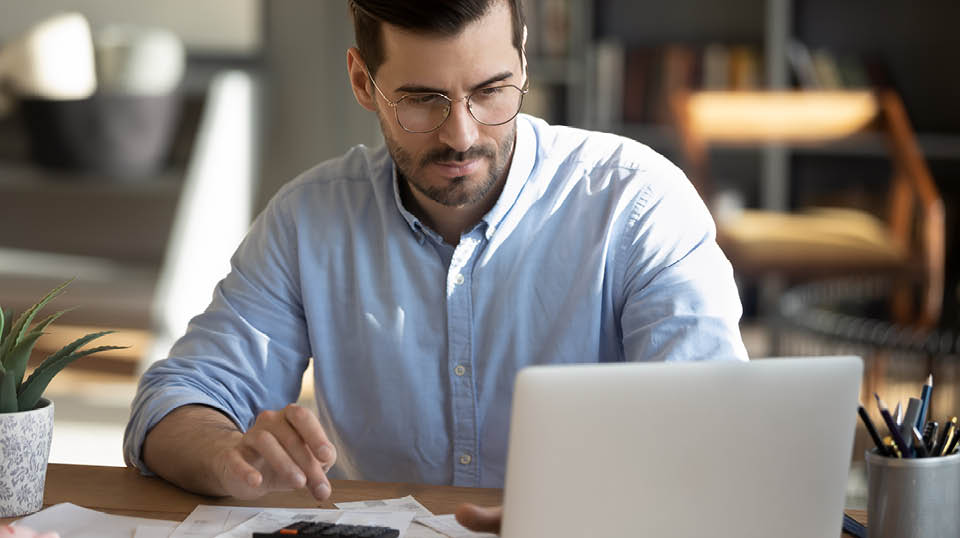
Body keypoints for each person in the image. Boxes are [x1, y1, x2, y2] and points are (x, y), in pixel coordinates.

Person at [124, 0, 747, 533]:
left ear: (524, 62)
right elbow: (174, 401)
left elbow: (713, 430)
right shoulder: (308, 218)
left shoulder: (637, 203)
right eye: (422, 100)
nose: (460, 135)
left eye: (490, 91)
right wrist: (228, 452)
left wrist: (579, 517)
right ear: (363, 83)